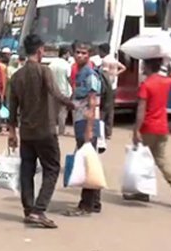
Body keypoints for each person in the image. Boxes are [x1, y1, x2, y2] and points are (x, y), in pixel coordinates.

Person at [7, 35, 74, 229]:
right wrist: (73, 104)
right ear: (40, 51)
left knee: (26, 171)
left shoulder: (17, 76)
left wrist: (12, 132)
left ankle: (29, 210)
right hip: (45, 130)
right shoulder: (44, 71)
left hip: (26, 132)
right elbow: (56, 92)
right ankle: (39, 210)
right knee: (52, 169)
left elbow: (12, 108)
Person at [129, 58, 171, 207]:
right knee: (161, 161)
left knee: (143, 161)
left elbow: (141, 111)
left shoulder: (146, 84)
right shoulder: (166, 82)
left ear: (147, 66)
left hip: (148, 127)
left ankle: (143, 192)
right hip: (162, 127)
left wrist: (136, 130)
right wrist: (168, 64)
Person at [65, 42, 102, 217]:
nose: (80, 55)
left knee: (86, 163)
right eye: (77, 52)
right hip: (79, 121)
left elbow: (93, 102)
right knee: (89, 161)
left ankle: (86, 205)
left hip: (86, 124)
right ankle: (94, 202)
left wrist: (89, 129)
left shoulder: (89, 74)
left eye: (83, 53)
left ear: (89, 55)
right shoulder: (79, 73)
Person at [98, 43, 125, 139]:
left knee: (103, 110)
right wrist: (115, 74)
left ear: (103, 51)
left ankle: (100, 131)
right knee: (110, 110)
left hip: (107, 87)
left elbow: (104, 74)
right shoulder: (113, 59)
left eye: (99, 51)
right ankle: (108, 132)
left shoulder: (105, 61)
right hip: (113, 86)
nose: (98, 53)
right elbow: (123, 67)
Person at [49, 46, 73, 135]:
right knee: (62, 113)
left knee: (53, 112)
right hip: (64, 92)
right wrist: (73, 89)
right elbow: (69, 78)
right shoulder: (66, 65)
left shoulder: (52, 63)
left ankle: (51, 130)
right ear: (65, 53)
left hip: (53, 91)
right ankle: (61, 131)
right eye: (68, 54)